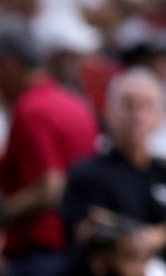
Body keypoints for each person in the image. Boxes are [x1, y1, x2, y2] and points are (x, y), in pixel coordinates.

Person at [61, 68, 166, 266]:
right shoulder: (87, 174)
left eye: (147, 106)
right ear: (109, 111)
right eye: (128, 105)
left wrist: (126, 229)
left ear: (161, 116)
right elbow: (89, 232)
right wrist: (160, 233)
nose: (137, 115)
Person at [0, 26, 100, 276]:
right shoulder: (73, 101)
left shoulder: (30, 108)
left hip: (40, 252)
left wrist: (5, 211)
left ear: (9, 65)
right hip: (76, 247)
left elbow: (51, 188)